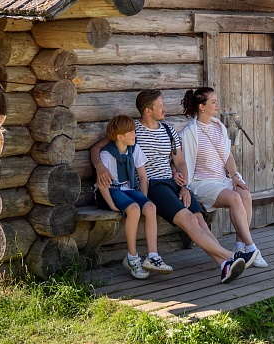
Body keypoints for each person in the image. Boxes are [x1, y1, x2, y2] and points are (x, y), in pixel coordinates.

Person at [92, 91, 247, 284]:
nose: (165, 109)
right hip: (154, 186)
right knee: (190, 220)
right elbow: (97, 148)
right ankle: (230, 256)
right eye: (160, 106)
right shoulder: (133, 131)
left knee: (199, 219)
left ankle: (224, 265)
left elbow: (179, 162)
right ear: (148, 111)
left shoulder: (168, 130)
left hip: (175, 184)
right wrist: (100, 166)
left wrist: (184, 187)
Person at [179, 86, 268, 268]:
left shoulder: (219, 127)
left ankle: (240, 246)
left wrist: (235, 176)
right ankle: (252, 248)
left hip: (222, 179)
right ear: (202, 106)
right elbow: (182, 163)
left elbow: (227, 156)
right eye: (213, 102)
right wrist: (183, 186)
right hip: (202, 183)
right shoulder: (189, 132)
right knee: (234, 198)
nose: (217, 105)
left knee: (244, 194)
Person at [94, 114, 172, 279]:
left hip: (128, 189)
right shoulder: (107, 154)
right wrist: (112, 205)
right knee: (134, 209)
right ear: (120, 136)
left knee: (150, 207)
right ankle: (132, 257)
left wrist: (144, 199)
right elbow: (102, 185)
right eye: (131, 132)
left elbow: (143, 177)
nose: (135, 135)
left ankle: (153, 256)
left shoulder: (134, 149)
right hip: (109, 191)